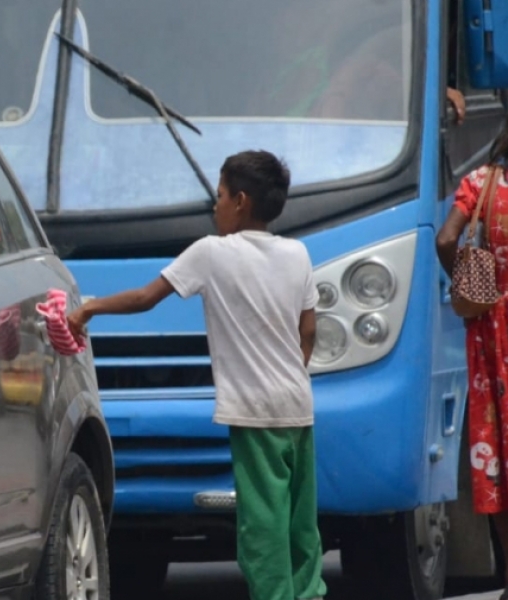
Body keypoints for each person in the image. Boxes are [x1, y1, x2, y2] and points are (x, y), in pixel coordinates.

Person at [67, 150, 326, 600]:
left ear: (241, 201)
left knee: (262, 528)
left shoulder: (211, 252)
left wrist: (89, 308)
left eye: (221, 195)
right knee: (300, 525)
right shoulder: (297, 253)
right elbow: (308, 331)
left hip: (255, 415)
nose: (215, 205)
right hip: (298, 408)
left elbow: (146, 298)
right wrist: (287, 376)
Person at [436, 87, 508, 600]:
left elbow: (445, 239)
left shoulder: (482, 182)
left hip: (496, 333)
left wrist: (471, 286)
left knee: (500, 445)